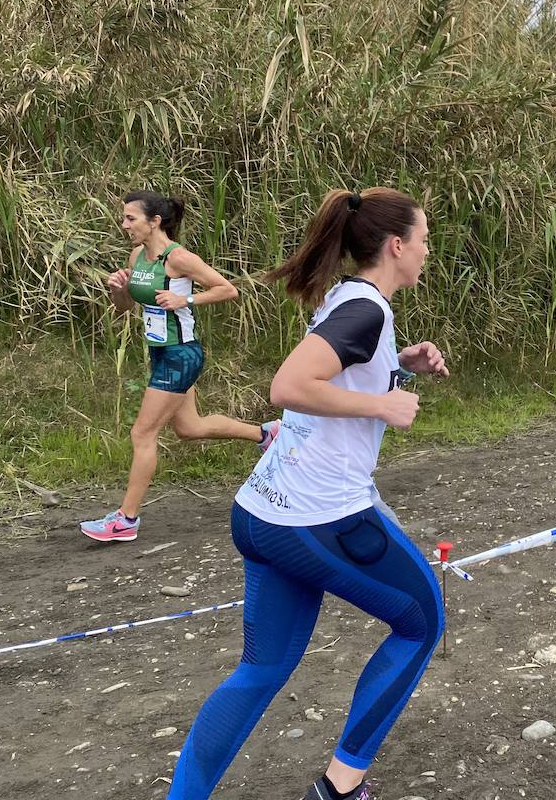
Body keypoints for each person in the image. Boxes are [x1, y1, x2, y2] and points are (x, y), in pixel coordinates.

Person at [166, 187, 450, 800]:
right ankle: (340, 790)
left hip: (261, 516)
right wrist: (382, 403)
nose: (428, 251)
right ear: (397, 246)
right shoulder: (365, 309)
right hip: (320, 521)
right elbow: (290, 384)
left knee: (261, 669)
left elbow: (338, 366)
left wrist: (398, 365)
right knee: (422, 621)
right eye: (424, 240)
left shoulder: (355, 301)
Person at [81, 191, 276, 543]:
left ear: (154, 221)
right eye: (123, 218)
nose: (123, 225)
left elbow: (227, 289)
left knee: (142, 433)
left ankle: (126, 520)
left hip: (181, 354)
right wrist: (118, 290)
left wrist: (184, 299)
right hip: (160, 352)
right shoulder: (138, 255)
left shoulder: (179, 258)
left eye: (130, 218)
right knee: (189, 427)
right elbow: (125, 308)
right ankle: (266, 434)